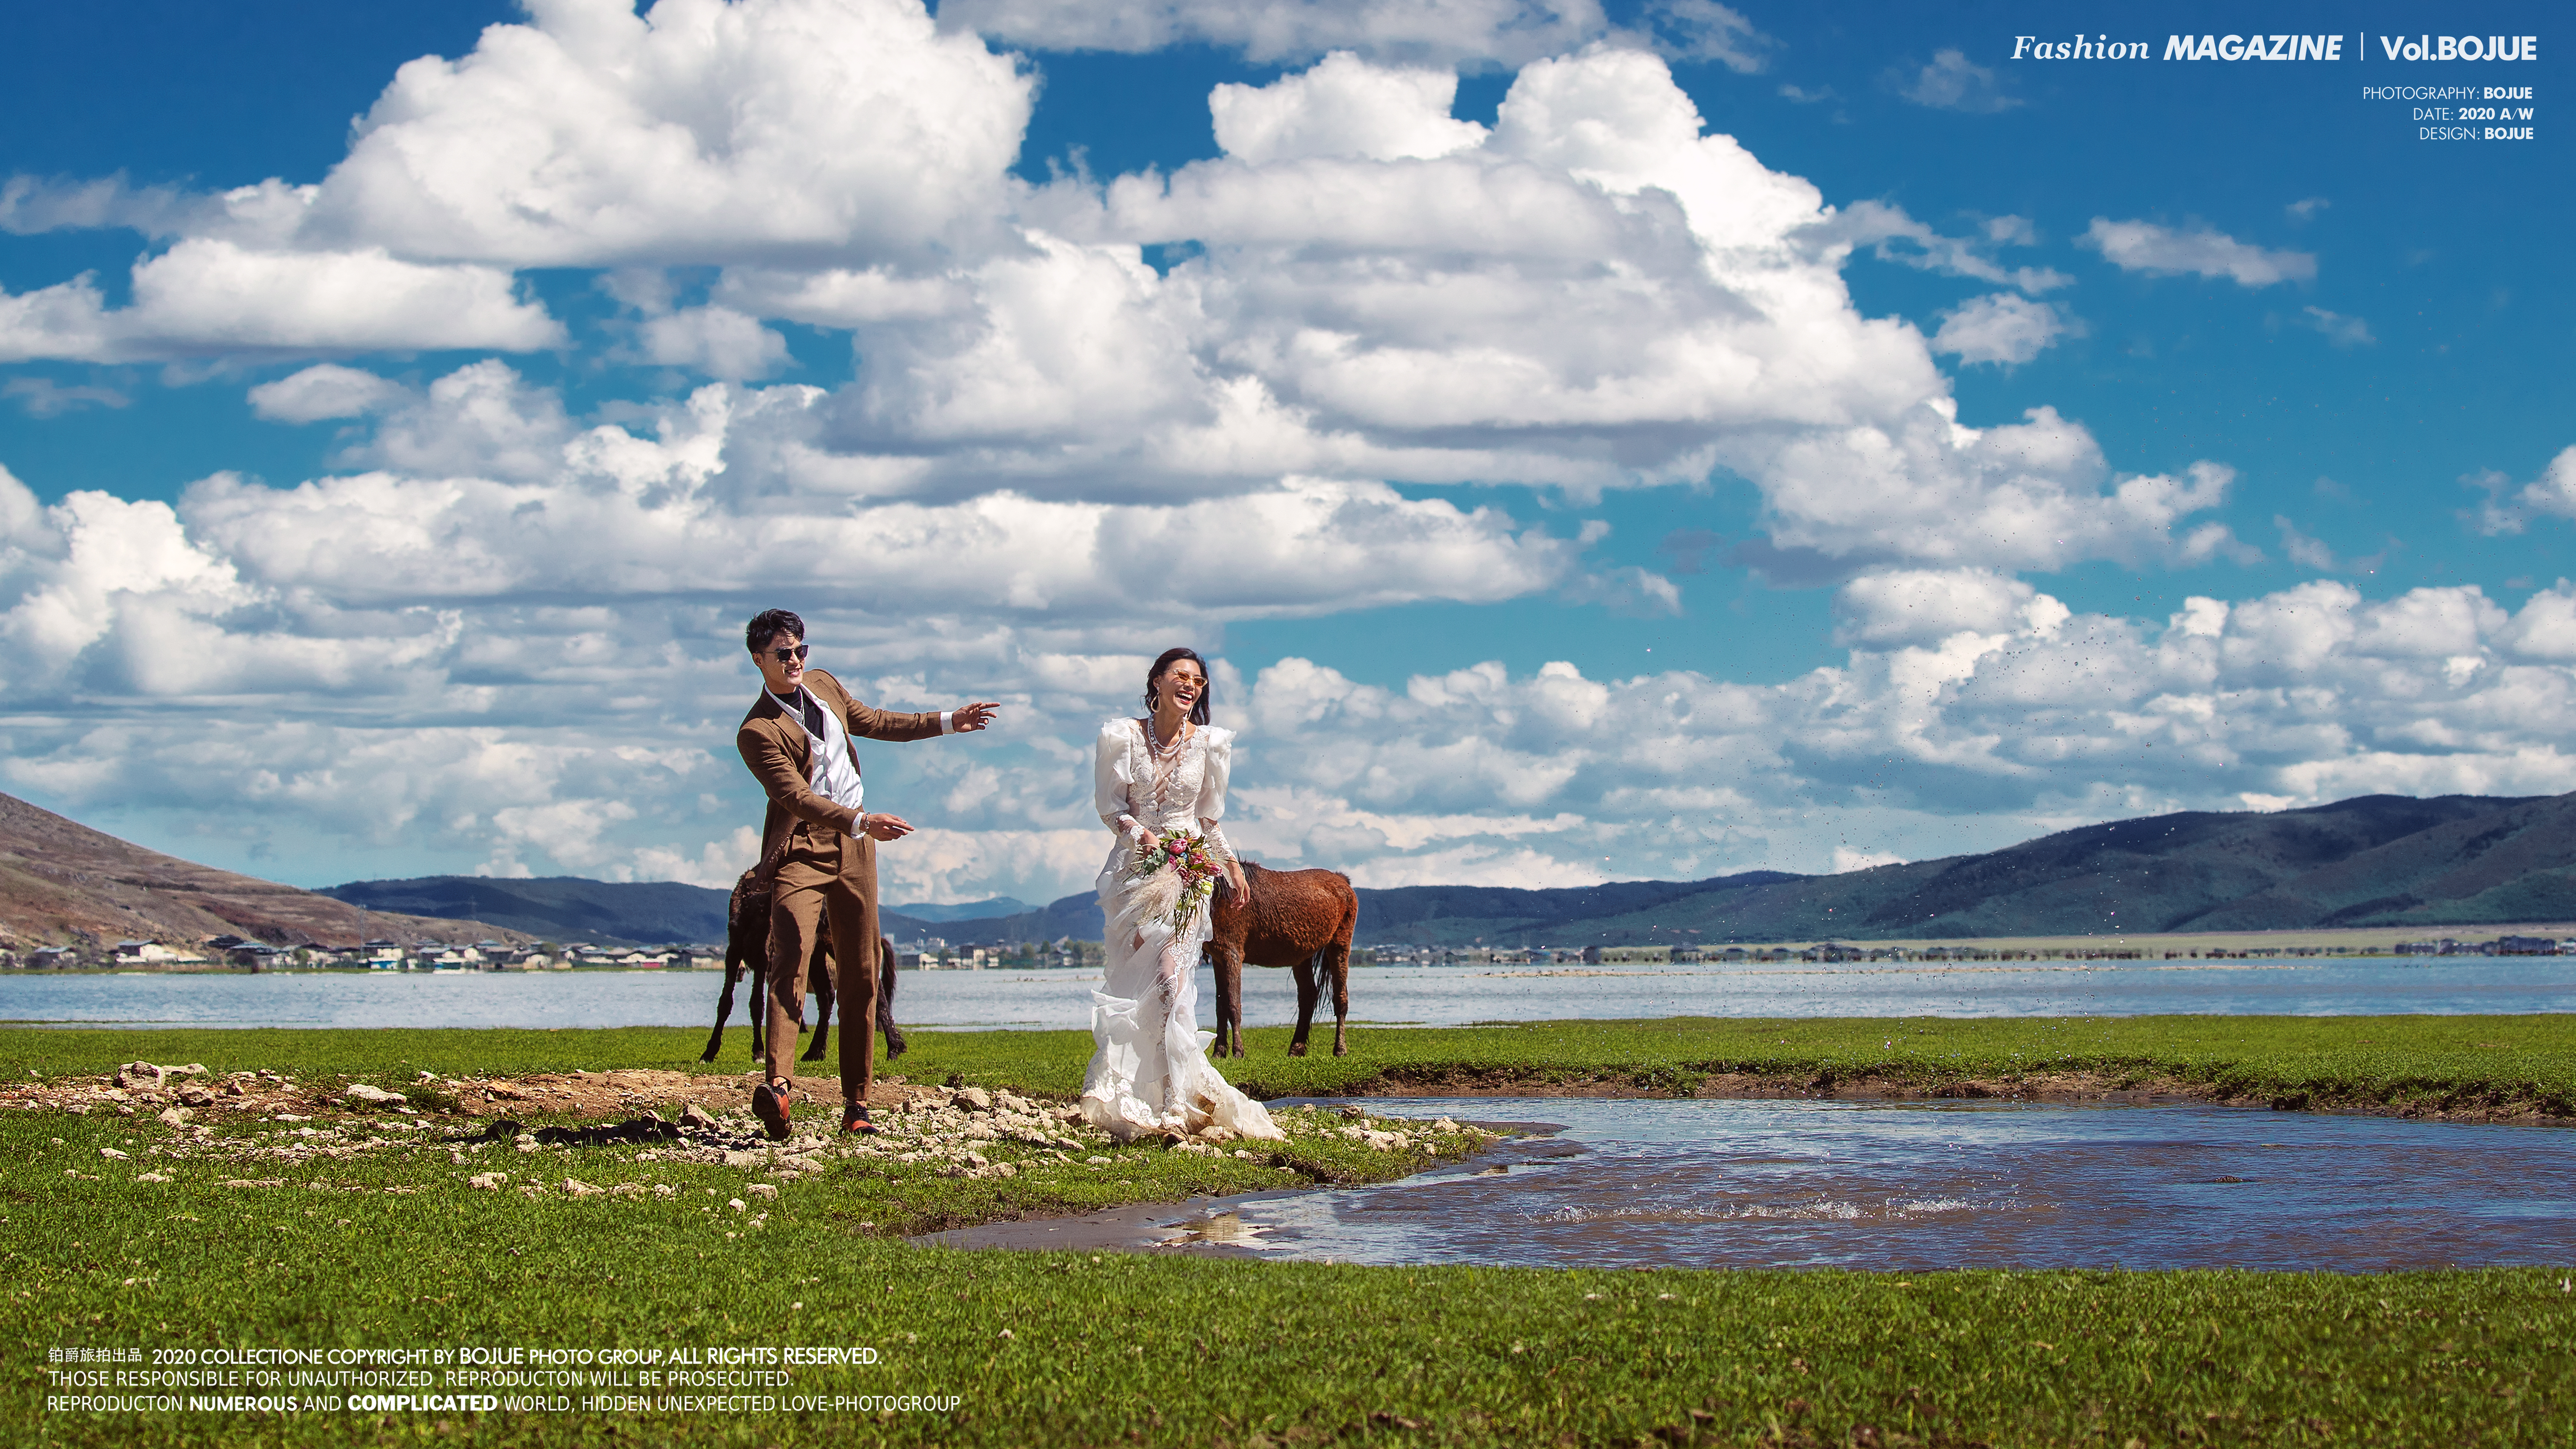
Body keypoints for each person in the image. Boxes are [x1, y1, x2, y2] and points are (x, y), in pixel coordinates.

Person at [736, 609, 999, 1139]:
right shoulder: (757, 730)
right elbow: (796, 797)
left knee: (862, 971)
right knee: (788, 954)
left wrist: (950, 721)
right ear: (758, 659)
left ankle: (857, 1104)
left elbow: (876, 720)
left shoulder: (824, 685)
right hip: (802, 847)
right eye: (784, 654)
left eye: (801, 650)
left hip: (857, 848)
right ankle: (779, 1088)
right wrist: (862, 819)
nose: (795, 661)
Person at [1082, 648, 1285, 1142]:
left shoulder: (1211, 744)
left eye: (1199, 679)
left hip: (1190, 872)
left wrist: (1233, 867)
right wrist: (1140, 836)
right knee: (1139, 982)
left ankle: (1176, 1099)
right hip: (1136, 871)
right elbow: (1110, 809)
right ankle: (1130, 1089)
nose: (1191, 685)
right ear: (1156, 682)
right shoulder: (1122, 736)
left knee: (1174, 982)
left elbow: (1208, 819)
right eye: (1181, 675)